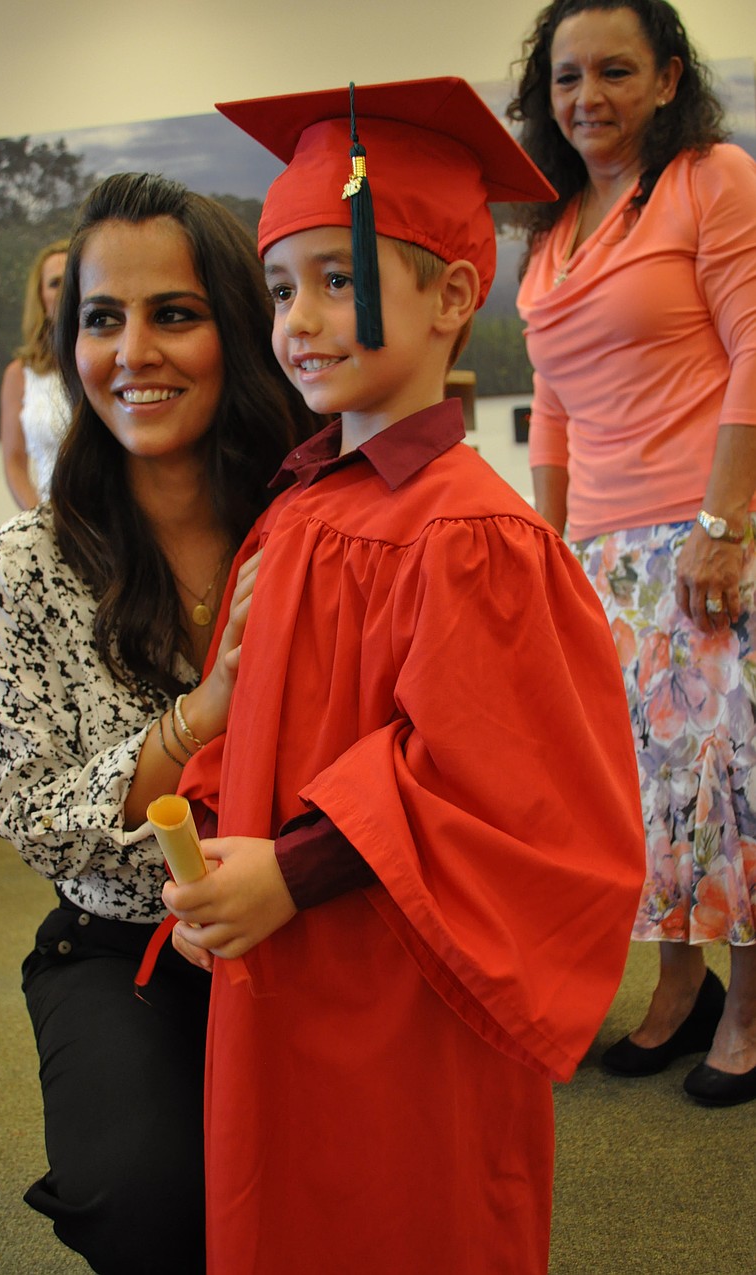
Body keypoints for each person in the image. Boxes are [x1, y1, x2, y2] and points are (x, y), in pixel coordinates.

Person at [159, 78, 646, 1275]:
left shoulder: (472, 537)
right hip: (277, 960)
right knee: (282, 1207)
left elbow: (506, 791)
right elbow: (249, 717)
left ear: (454, 297)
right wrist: (217, 851)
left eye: (341, 278)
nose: (301, 321)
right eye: (281, 288)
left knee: (403, 1212)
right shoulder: (298, 511)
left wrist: (295, 867)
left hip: (402, 979)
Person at [0, 172, 315, 1275]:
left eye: (175, 313)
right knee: (146, 1200)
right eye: (102, 320)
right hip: (124, 946)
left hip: (316, 922)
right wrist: (199, 717)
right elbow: (36, 818)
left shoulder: (318, 526)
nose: (134, 353)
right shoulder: (27, 565)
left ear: (241, 328)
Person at [511, 0, 756, 1107]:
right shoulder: (554, 221)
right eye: (567, 78)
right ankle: (676, 990)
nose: (587, 99)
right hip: (602, 552)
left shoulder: (712, 177)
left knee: (729, 784)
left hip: (705, 530)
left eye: (614, 71)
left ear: (665, 79)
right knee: (648, 795)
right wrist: (547, 545)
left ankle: (748, 1014)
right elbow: (552, 406)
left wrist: (722, 525)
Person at [0, 239, 72, 509]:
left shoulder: (113, 361)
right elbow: (14, 462)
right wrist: (39, 521)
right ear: (41, 296)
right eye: (55, 283)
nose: (65, 290)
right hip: (49, 518)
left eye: (72, 279)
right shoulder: (19, 374)